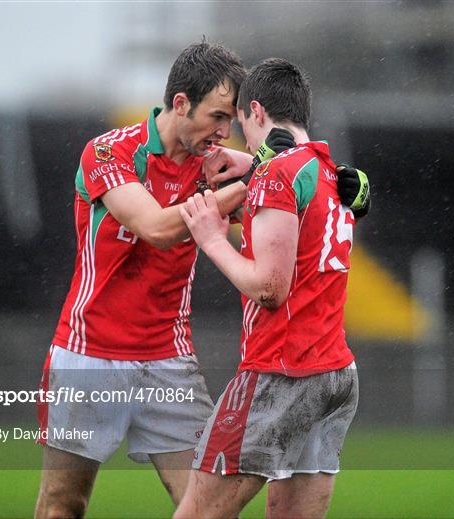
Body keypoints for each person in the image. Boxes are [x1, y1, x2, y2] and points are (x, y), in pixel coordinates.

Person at [35, 41, 369, 518]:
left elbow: (290, 204)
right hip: (88, 355)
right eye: (216, 117)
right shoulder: (109, 151)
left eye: (232, 119)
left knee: (208, 508)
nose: (224, 132)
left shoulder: (214, 165)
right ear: (179, 103)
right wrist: (254, 176)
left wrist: (337, 185)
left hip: (170, 362)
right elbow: (157, 229)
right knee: (62, 506)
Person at [175, 58, 360, 519]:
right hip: (334, 375)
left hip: (282, 371)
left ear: (255, 112)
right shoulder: (332, 173)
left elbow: (270, 290)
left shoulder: (279, 175)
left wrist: (212, 239)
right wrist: (254, 165)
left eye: (239, 123)